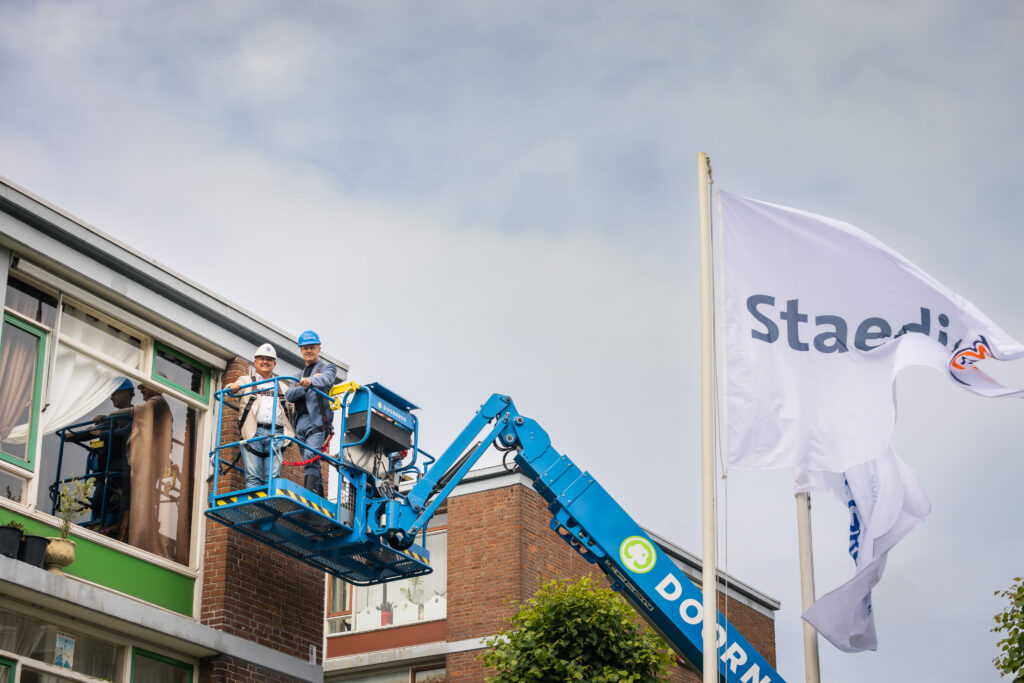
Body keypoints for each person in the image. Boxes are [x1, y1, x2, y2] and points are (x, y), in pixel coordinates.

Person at [227, 342, 294, 489]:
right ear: (255, 361)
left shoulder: (282, 387)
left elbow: (296, 406)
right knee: (252, 478)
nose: (265, 362)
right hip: (253, 433)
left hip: (277, 435)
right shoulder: (246, 381)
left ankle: (269, 507)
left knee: (273, 478)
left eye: (269, 359)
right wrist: (233, 387)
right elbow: (231, 390)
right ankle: (254, 511)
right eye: (262, 359)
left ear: (274, 364)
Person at [285, 330, 336, 497]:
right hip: (299, 423)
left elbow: (325, 379)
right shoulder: (296, 376)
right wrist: (305, 386)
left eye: (312, 347)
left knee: (310, 455)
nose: (309, 351)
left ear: (319, 349)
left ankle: (309, 496)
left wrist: (311, 381)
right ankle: (318, 496)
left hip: (317, 422)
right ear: (301, 350)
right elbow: (289, 395)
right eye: (305, 348)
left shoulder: (327, 368)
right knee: (311, 461)